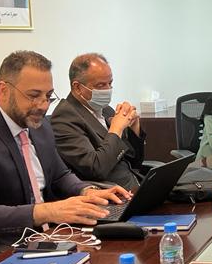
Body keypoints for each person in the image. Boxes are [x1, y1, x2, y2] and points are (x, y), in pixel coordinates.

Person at [0, 51, 130, 250]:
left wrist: (87, 191)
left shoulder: (38, 124)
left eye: (48, 96)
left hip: (45, 235)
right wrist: (47, 211)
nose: (43, 105)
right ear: (3, 90)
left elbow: (60, 175)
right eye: (33, 96)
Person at [52, 53, 146, 190]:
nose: (108, 90)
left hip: (135, 184)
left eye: (110, 83)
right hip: (110, 194)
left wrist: (134, 128)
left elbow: (134, 161)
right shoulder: (64, 117)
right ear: (77, 87)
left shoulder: (105, 109)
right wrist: (116, 130)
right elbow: (95, 169)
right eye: (101, 85)